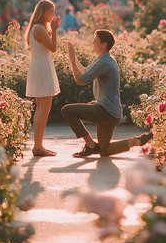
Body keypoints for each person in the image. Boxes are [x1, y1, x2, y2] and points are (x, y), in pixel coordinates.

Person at [62, 29, 153, 157]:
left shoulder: (104, 62)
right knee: (104, 151)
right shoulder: (104, 59)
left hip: (106, 111)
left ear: (104, 44)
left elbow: (80, 80)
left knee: (67, 111)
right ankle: (137, 141)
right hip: (111, 112)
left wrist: (72, 60)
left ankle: (90, 145)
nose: (92, 42)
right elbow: (85, 73)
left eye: (95, 40)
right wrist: (75, 58)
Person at [25, 0, 61, 157]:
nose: (53, 14)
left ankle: (38, 145)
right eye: (51, 11)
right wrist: (55, 30)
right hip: (42, 67)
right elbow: (53, 48)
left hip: (39, 65)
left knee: (41, 108)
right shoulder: (39, 28)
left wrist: (52, 29)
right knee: (44, 108)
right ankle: (38, 147)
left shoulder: (36, 28)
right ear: (43, 12)